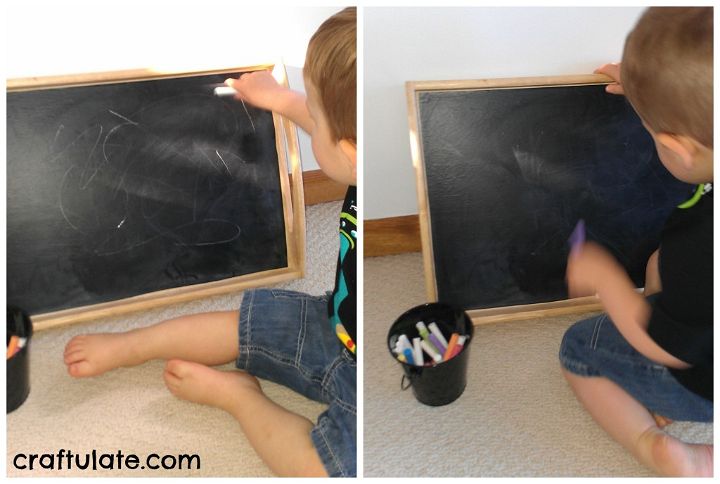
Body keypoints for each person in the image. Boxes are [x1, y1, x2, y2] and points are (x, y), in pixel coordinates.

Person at [63, 7, 357, 477]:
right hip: (333, 323)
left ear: (347, 150)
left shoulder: (359, 161)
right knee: (237, 324)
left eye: (313, 115)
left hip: (366, 375)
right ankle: (131, 345)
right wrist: (279, 99)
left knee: (320, 469)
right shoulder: (357, 155)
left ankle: (238, 398)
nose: (307, 116)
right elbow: (328, 123)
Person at [559, 7, 712, 477]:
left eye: (650, 130)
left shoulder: (702, 249)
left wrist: (607, 280)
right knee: (657, 266)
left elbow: (669, 348)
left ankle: (657, 446)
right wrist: (658, 93)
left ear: (678, 147)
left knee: (578, 348)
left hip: (706, 375)